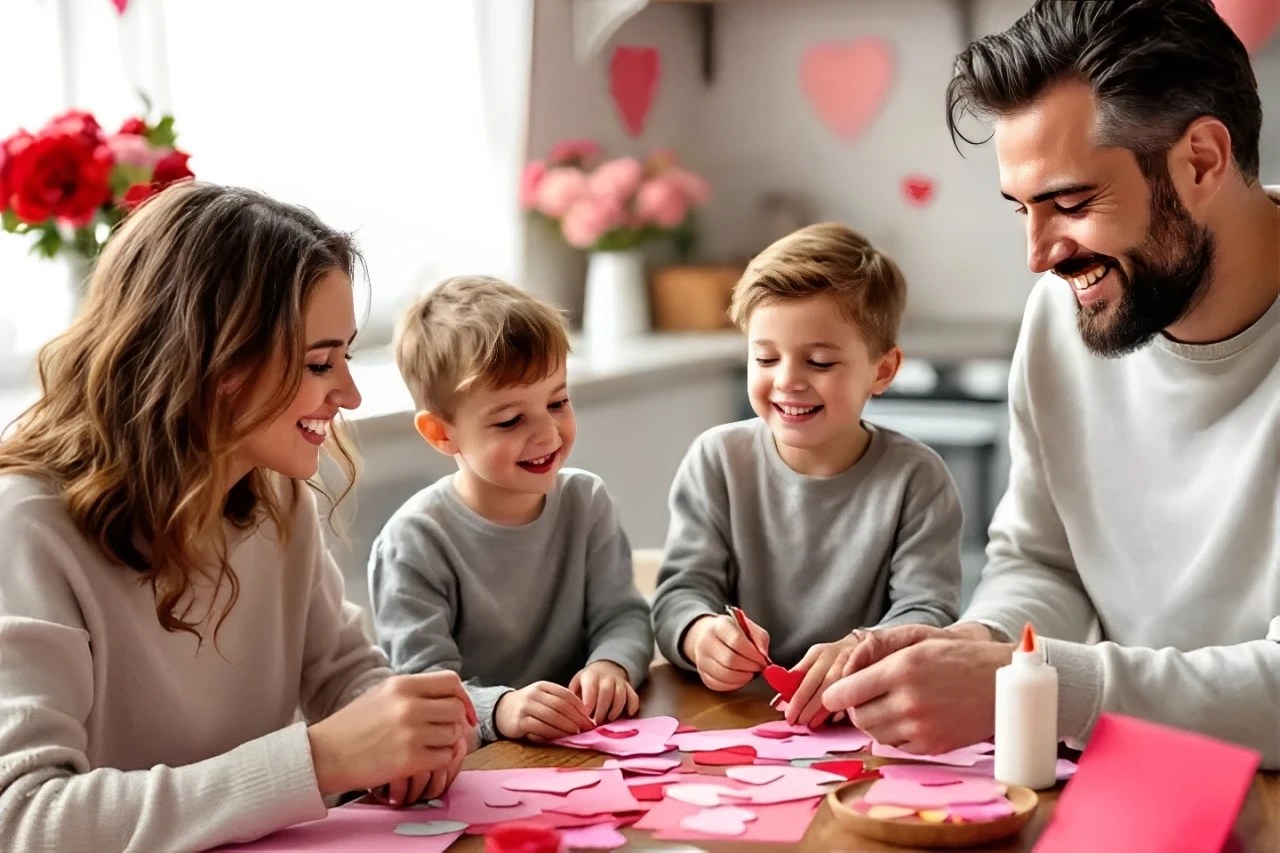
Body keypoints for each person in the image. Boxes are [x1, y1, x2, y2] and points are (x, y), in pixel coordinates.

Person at [822, 0, 1280, 768]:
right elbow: (1044, 561)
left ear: (1201, 160)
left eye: (1071, 203)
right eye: (1023, 210)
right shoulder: (1060, 319)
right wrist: (977, 643)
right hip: (1138, 780)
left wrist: (1032, 684)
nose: (1038, 255)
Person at [0, 182, 477, 851]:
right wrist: (319, 760)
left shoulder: (274, 495)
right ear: (215, 363)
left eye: (346, 354)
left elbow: (341, 671)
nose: (349, 391)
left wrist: (407, 729)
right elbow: (23, 818)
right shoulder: (25, 524)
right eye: (320, 362)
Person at [651, 223, 963, 727]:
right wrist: (699, 634)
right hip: (728, 720)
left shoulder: (917, 479)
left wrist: (862, 651)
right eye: (765, 358)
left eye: (819, 361)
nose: (788, 380)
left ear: (882, 371)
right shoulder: (718, 459)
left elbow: (928, 614)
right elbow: (679, 594)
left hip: (862, 721)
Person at [368, 275, 654, 745]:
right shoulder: (414, 540)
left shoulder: (587, 501)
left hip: (579, 751)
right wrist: (500, 708)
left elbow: (622, 615)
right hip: (473, 768)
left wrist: (611, 663)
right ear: (442, 434)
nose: (547, 434)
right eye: (510, 420)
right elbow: (421, 687)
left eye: (558, 401)